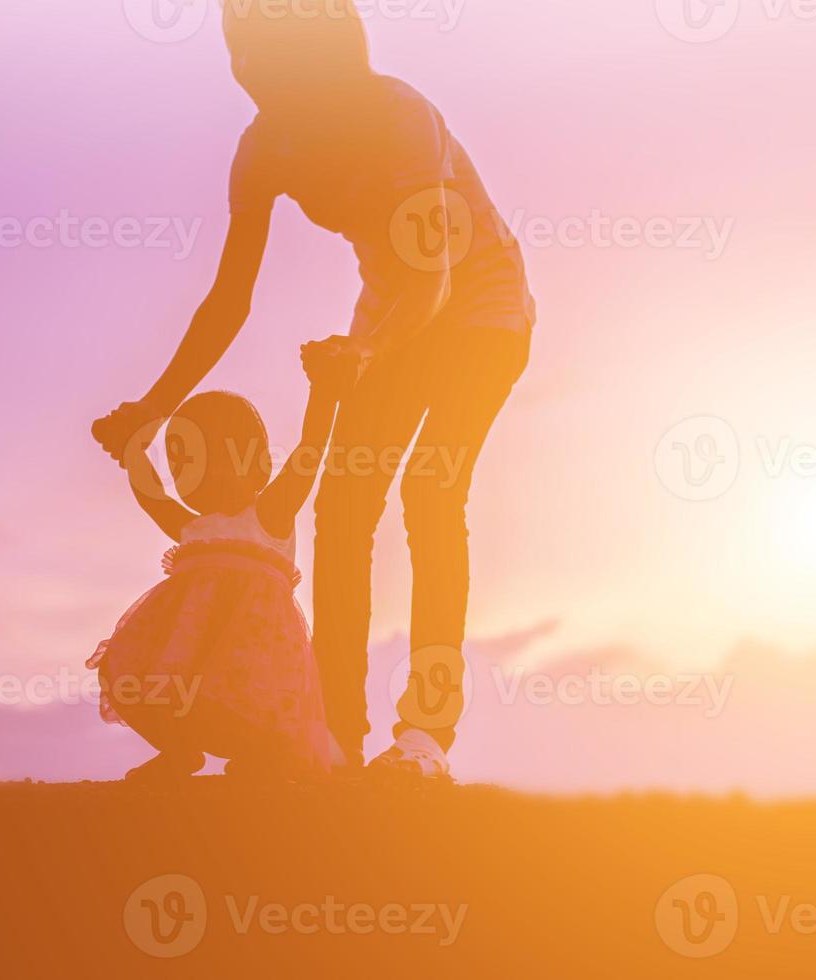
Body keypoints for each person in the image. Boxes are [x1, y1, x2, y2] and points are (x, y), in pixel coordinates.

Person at [93, 0, 535, 781]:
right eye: (236, 53)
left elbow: (432, 276)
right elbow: (230, 299)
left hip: (479, 311)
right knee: (342, 510)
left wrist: (363, 350)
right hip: (382, 327)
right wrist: (151, 407)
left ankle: (423, 741)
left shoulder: (400, 117)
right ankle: (333, 736)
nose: (245, 72)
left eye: (259, 53)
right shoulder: (263, 148)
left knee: (430, 496)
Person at [88, 346, 351, 783]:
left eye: (219, 458)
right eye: (186, 464)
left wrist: (324, 392)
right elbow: (152, 496)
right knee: (132, 674)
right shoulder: (193, 527)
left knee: (246, 703)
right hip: (189, 651)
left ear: (261, 465)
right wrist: (132, 447)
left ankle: (262, 754)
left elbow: (308, 454)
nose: (203, 474)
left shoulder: (271, 515)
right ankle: (180, 750)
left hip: (254, 653)